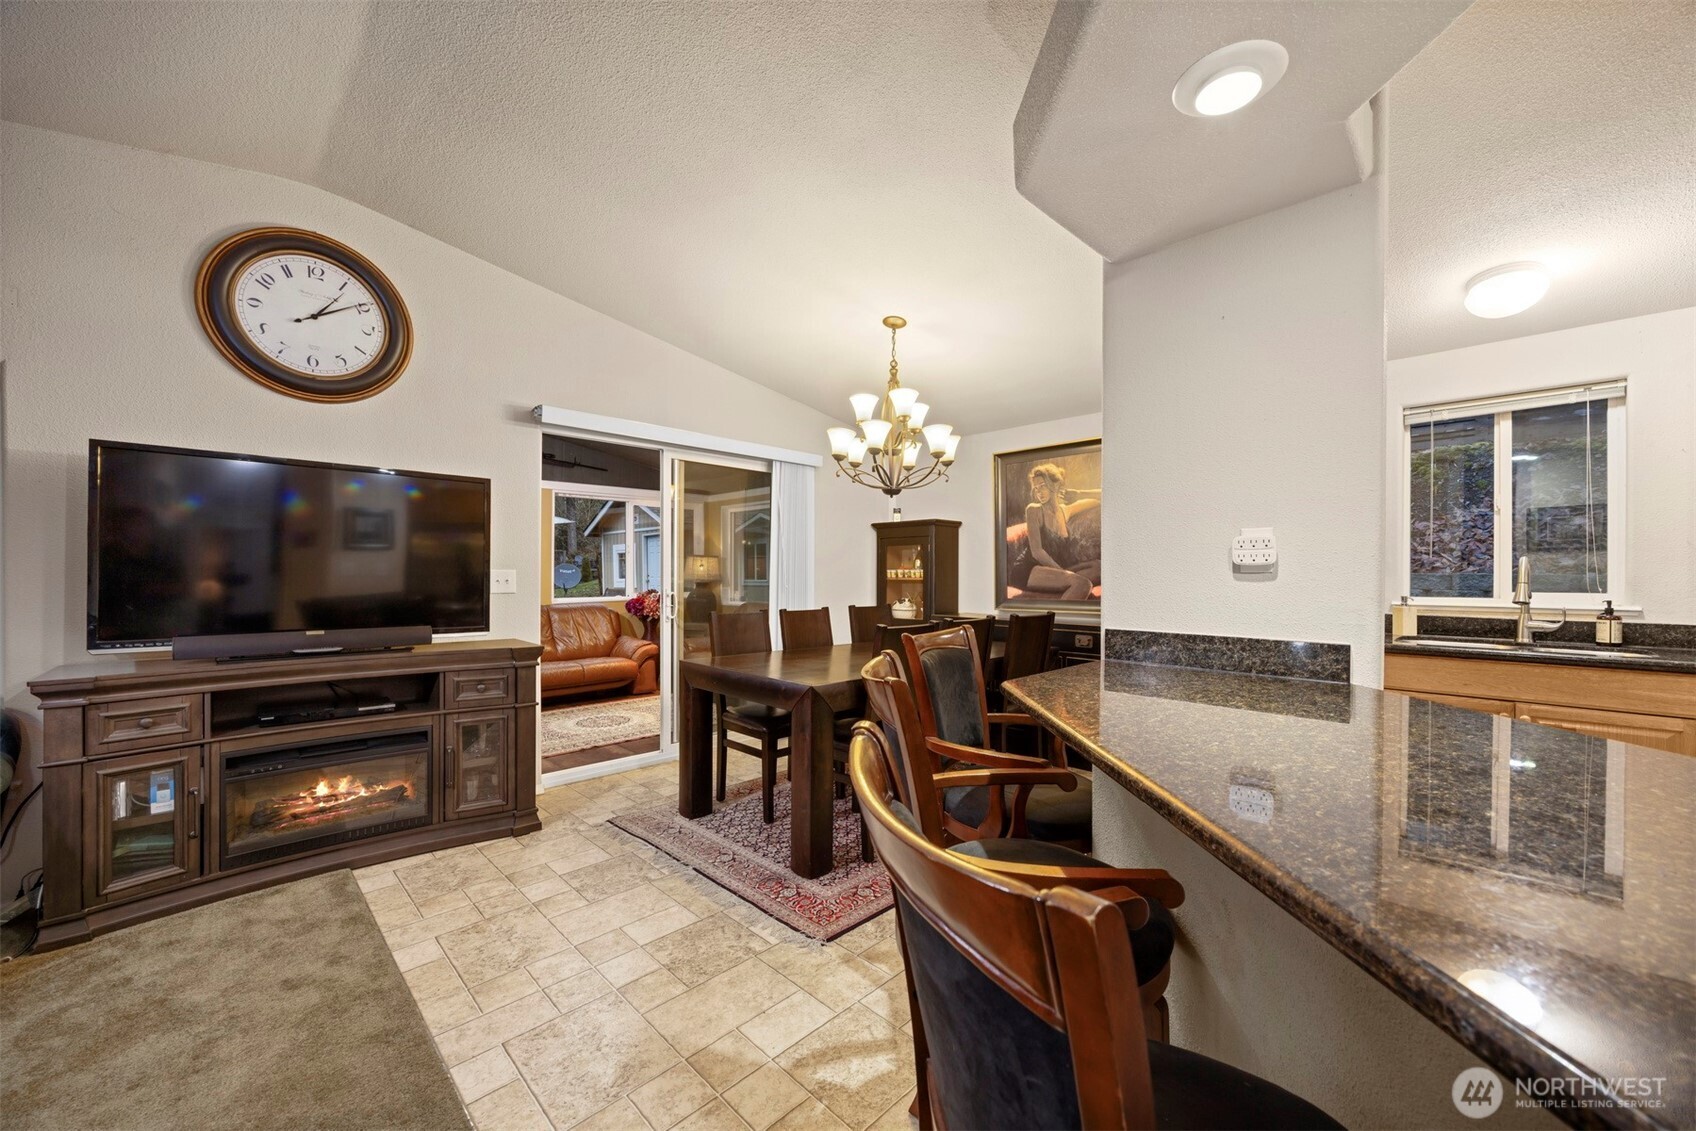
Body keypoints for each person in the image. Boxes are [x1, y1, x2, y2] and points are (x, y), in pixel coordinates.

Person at [1007, 463, 1101, 601]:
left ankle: (1066, 586)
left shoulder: (1065, 511)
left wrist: (1080, 493)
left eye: (1043, 486)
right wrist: (1065, 573)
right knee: (1083, 584)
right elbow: (1037, 552)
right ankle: (1057, 620)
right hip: (1030, 570)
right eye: (1036, 488)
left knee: (1099, 568)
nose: (1039, 492)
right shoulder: (1034, 510)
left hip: (1057, 568)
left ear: (1056, 486)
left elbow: (1099, 499)